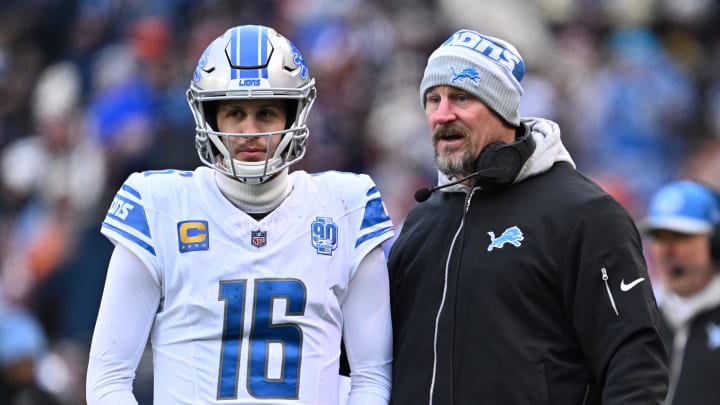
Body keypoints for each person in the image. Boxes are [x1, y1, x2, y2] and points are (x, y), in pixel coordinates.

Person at [86, 25, 395, 405]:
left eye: (265, 112)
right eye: (235, 112)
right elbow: (108, 380)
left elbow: (372, 377)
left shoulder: (345, 206)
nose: (250, 131)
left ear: (293, 115)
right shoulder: (160, 206)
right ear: (211, 117)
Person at [387, 28, 668, 404]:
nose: (442, 115)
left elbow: (635, 365)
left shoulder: (584, 213)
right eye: (432, 99)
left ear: (502, 108)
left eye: (461, 98)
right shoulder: (423, 219)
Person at [642, 180, 720, 405]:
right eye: (658, 236)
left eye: (680, 236)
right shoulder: (638, 316)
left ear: (715, 243)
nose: (666, 250)